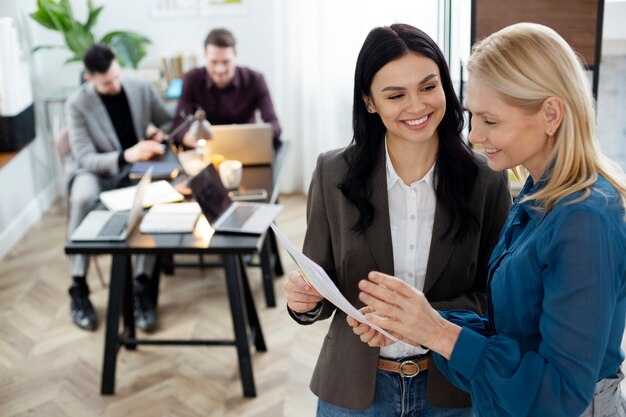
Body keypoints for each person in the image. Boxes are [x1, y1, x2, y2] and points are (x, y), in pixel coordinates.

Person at [356, 23, 626, 417]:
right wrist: (417, 320)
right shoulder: (538, 193)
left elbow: (558, 396)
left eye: (491, 121)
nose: (474, 135)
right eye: (471, 115)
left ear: (550, 114)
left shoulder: (585, 219)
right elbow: (513, 336)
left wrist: (437, 332)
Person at [284, 23, 511, 416]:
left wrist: (423, 320)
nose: (417, 106)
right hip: (354, 391)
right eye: (395, 95)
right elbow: (319, 285)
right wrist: (304, 301)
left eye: (428, 87)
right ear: (370, 102)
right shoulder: (332, 173)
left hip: (453, 390)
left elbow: (499, 299)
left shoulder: (486, 178)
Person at [64, 44, 172, 332]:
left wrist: (159, 132)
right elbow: (85, 157)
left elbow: (168, 119)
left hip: (136, 169)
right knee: (83, 197)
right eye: (106, 82)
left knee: (157, 200)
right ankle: (78, 287)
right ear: (89, 79)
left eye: (115, 77)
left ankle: (142, 286)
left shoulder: (139, 87)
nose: (114, 85)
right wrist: (126, 155)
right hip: (95, 171)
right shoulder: (76, 104)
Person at [171, 27, 281, 148]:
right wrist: (189, 138)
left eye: (225, 62)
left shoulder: (255, 80)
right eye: (214, 62)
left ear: (235, 56)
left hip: (246, 149)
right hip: (204, 150)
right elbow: (178, 124)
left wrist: (258, 138)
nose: (220, 70)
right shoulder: (192, 78)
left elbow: (274, 125)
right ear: (205, 57)